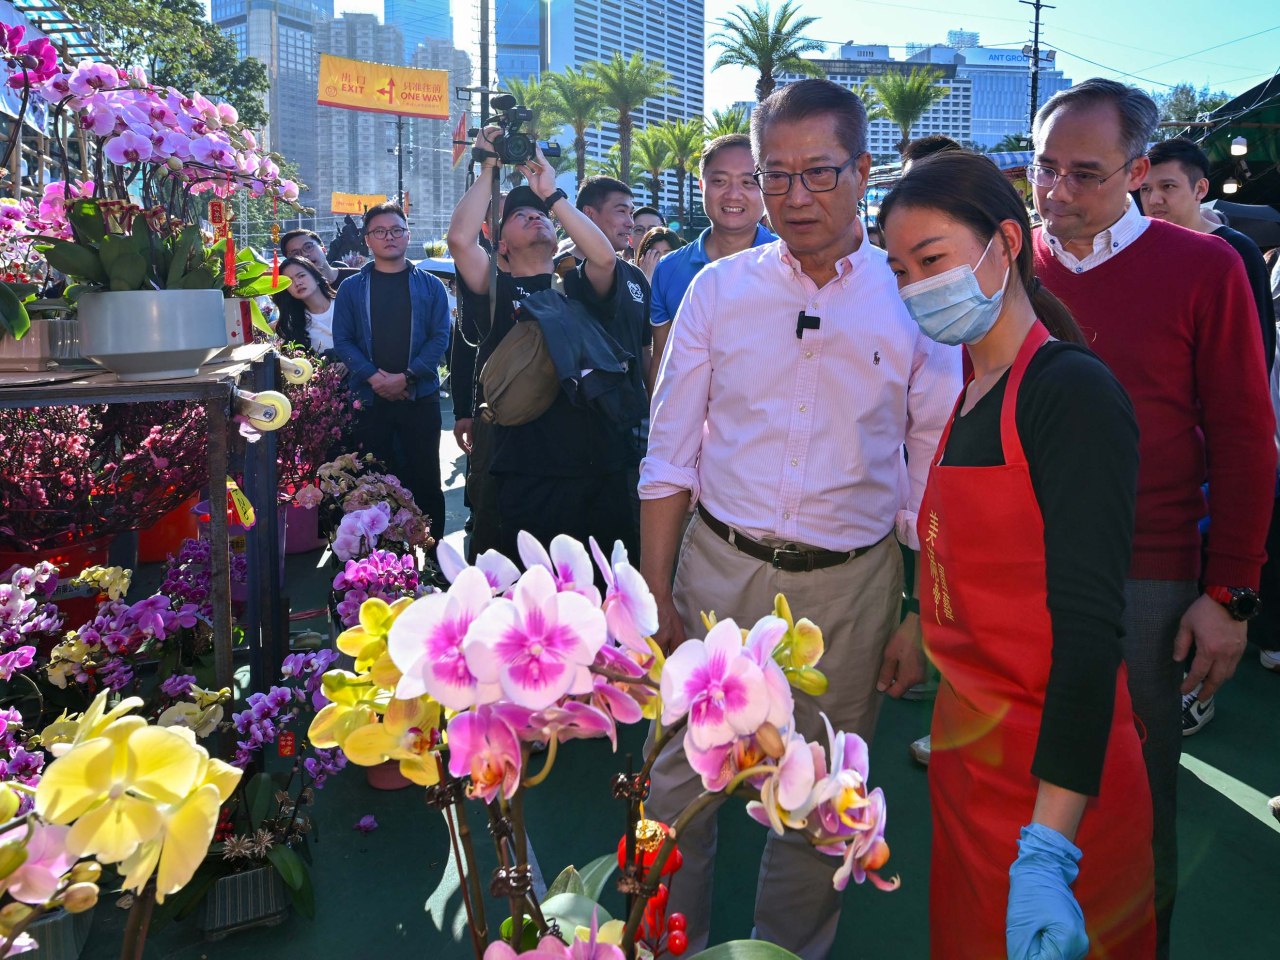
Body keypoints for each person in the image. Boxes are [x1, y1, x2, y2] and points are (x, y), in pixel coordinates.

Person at [639, 78, 961, 959]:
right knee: (676, 789)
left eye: (819, 172)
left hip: (850, 590)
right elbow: (669, 455)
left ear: (864, 170)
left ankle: (787, 951)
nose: (794, 196)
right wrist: (658, 592)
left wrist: (919, 614)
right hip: (717, 567)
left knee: (819, 801)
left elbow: (931, 478)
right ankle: (661, 944)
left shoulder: (915, 300)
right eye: (773, 176)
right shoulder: (717, 290)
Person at [882, 149, 1154, 959]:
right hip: (970, 767)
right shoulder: (969, 391)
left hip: (1057, 792)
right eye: (900, 271)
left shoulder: (1069, 393)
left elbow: (1088, 633)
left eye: (932, 260)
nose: (915, 288)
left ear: (1005, 243)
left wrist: (1049, 850)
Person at [1029, 78, 1276, 958]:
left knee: (1136, 797)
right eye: (1044, 167)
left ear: (1137, 172)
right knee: (1017, 785)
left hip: (1149, 577)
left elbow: (1245, 435)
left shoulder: (1204, 267)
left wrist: (1231, 593)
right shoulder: (1007, 263)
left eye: (1084, 173)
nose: (1056, 191)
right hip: (1016, 570)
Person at [448, 132, 643, 561]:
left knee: (602, 586)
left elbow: (605, 258)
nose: (535, 217)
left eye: (541, 216)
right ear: (501, 244)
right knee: (531, 584)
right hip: (526, 469)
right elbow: (460, 240)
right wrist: (488, 166)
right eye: (520, 216)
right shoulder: (496, 290)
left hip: (600, 464)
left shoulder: (580, 285)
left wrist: (552, 194)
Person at [332, 202, 450, 549]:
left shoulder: (431, 286)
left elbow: (440, 337)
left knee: (426, 478)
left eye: (396, 230)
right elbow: (343, 340)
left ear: (408, 235)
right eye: (380, 231)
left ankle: (434, 552)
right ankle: (381, 556)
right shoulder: (352, 287)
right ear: (367, 239)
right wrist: (374, 378)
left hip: (420, 397)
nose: (389, 237)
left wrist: (407, 376)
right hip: (369, 399)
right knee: (373, 480)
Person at [648, 133, 773, 396]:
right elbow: (661, 361)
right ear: (702, 186)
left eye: (748, 182)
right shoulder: (669, 269)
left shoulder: (792, 261)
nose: (734, 195)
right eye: (720, 181)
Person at [1141, 138, 1275, 371]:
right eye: (1146, 189)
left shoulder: (1238, 249)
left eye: (1168, 186)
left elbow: (1259, 342)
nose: (1153, 199)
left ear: (1200, 189)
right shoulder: (1140, 250)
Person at [272, 229, 359, 344]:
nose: (304, 255)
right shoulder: (299, 315)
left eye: (308, 247)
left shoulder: (357, 278)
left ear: (324, 249)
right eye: (296, 254)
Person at [277, 256, 347, 377]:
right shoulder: (295, 325)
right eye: (289, 281)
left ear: (316, 277)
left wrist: (350, 363)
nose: (297, 283)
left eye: (301, 276)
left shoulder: (347, 303)